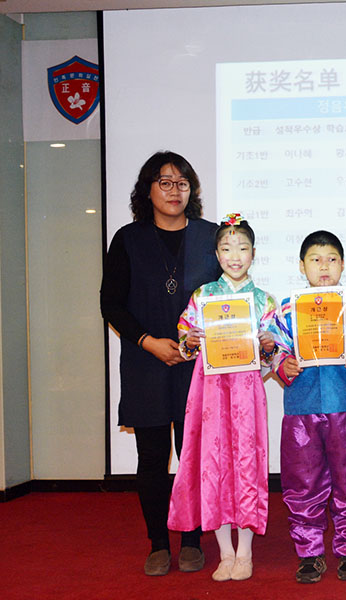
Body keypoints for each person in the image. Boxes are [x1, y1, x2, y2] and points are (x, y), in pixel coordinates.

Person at [100, 151, 220, 576]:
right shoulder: (128, 239)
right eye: (165, 182)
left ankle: (192, 541)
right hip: (146, 362)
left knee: (194, 456)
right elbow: (111, 303)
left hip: (198, 365)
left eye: (182, 183)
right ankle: (157, 544)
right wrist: (149, 342)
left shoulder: (211, 237)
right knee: (152, 457)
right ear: (147, 189)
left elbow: (230, 296)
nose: (174, 191)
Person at [167, 215, 279, 581]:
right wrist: (190, 340)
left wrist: (268, 346)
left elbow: (274, 355)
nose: (235, 256)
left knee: (247, 463)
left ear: (253, 254)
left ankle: (245, 551)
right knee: (212, 465)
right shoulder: (203, 297)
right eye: (227, 249)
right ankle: (224, 553)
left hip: (247, 392)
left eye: (242, 248)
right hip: (211, 393)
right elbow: (185, 340)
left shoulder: (264, 301)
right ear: (217, 255)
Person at [272, 231, 346, 584]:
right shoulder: (287, 308)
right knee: (302, 481)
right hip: (301, 409)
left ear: (343, 264)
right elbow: (272, 347)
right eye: (315, 259)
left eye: (332, 259)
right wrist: (282, 363)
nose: (324, 266)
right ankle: (309, 551)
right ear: (301, 266)